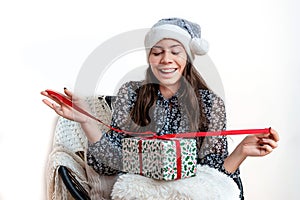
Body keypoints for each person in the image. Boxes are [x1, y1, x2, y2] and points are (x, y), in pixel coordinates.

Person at [41, 17, 279, 199]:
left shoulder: (210, 103)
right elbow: (108, 162)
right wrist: (86, 120)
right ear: (149, 57)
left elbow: (214, 177)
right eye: (158, 52)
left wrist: (241, 151)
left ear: (188, 58)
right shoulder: (131, 94)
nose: (166, 59)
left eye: (175, 52)